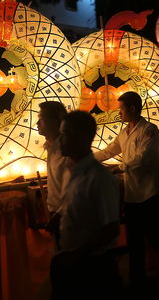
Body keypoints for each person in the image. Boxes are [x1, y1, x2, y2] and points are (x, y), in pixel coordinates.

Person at [95, 91, 159, 285]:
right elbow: (110, 150)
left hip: (150, 193)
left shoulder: (149, 130)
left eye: (121, 109)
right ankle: (137, 278)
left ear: (132, 108)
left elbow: (143, 157)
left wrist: (120, 167)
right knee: (134, 240)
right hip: (132, 194)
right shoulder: (124, 132)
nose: (119, 113)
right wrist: (87, 158)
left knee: (154, 237)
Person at [51, 111, 122, 299]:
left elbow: (111, 229)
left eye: (65, 134)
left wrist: (77, 255)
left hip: (93, 267)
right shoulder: (69, 171)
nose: (60, 140)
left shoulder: (99, 178)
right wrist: (59, 215)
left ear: (82, 137)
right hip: (71, 260)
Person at [36, 101, 70, 239]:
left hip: (69, 216)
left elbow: (76, 190)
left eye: (41, 119)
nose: (37, 123)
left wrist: (60, 214)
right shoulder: (50, 148)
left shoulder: (68, 150)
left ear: (57, 121)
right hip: (56, 213)